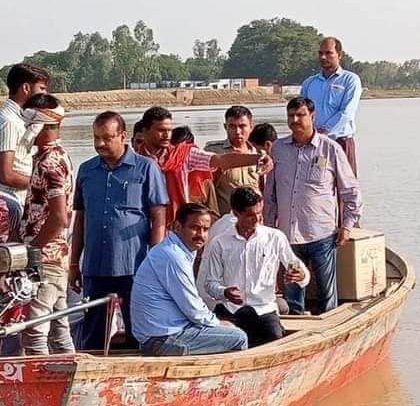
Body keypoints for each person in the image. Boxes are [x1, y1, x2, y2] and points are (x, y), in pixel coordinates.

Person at [70, 111, 168, 350]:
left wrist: (155, 258)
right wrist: (74, 263)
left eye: (106, 138)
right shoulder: (86, 170)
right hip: (95, 265)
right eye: (96, 138)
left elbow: (158, 216)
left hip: (134, 264)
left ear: (122, 136)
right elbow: (80, 218)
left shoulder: (146, 168)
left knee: (140, 327)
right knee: (92, 329)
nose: (100, 144)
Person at [264, 97, 362, 314]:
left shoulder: (330, 149)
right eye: (291, 116)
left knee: (327, 294)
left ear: (313, 116)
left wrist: (347, 225)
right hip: (287, 236)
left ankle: (329, 332)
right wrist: (269, 229)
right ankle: (295, 336)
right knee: (293, 293)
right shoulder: (278, 149)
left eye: (300, 115)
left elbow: (351, 191)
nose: (295, 120)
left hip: (322, 235)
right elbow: (269, 194)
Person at [131, 203, 248, 356]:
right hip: (163, 339)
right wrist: (218, 324)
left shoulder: (176, 250)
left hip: (163, 334)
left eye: (205, 229)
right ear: (178, 226)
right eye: (195, 228)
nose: (201, 234)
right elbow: (194, 310)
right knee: (238, 338)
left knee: (226, 328)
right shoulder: (173, 256)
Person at [200, 187, 309, 347]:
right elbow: (210, 284)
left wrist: (301, 276)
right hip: (231, 309)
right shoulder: (220, 242)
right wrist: (224, 292)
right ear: (236, 213)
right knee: (211, 342)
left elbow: (299, 269)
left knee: (274, 341)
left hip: (263, 309)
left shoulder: (275, 238)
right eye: (250, 215)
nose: (257, 219)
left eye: (259, 213)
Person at [135, 106, 272, 224]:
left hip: (177, 224)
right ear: (145, 131)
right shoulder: (134, 161)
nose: (166, 135)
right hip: (141, 223)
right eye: (161, 130)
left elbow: (221, 161)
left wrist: (259, 158)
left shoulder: (183, 155)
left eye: (169, 130)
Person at [19, 94, 75, 355]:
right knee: (58, 325)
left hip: (47, 258)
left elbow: (59, 217)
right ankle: (67, 373)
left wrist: (33, 250)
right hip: (54, 256)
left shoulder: (51, 163)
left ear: (38, 126)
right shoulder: (53, 157)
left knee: (34, 328)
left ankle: (40, 382)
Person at [0, 63, 50, 204]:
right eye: (42, 89)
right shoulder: (8, 122)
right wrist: (42, 186)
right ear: (26, 88)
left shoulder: (19, 118)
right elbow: (6, 175)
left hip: (22, 200)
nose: (45, 95)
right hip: (15, 203)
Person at [301, 37, 362, 176]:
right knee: (318, 183)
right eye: (320, 53)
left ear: (340, 55)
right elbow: (301, 111)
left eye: (329, 53)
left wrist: (325, 131)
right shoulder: (310, 83)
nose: (323, 57)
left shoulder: (350, 80)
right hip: (318, 146)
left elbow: (347, 112)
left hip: (340, 143)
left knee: (346, 187)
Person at [204, 106, 260, 215]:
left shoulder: (258, 154)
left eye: (242, 126)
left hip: (253, 220)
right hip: (225, 220)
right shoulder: (214, 152)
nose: (238, 131)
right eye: (232, 126)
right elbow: (204, 190)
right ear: (225, 127)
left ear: (251, 127)